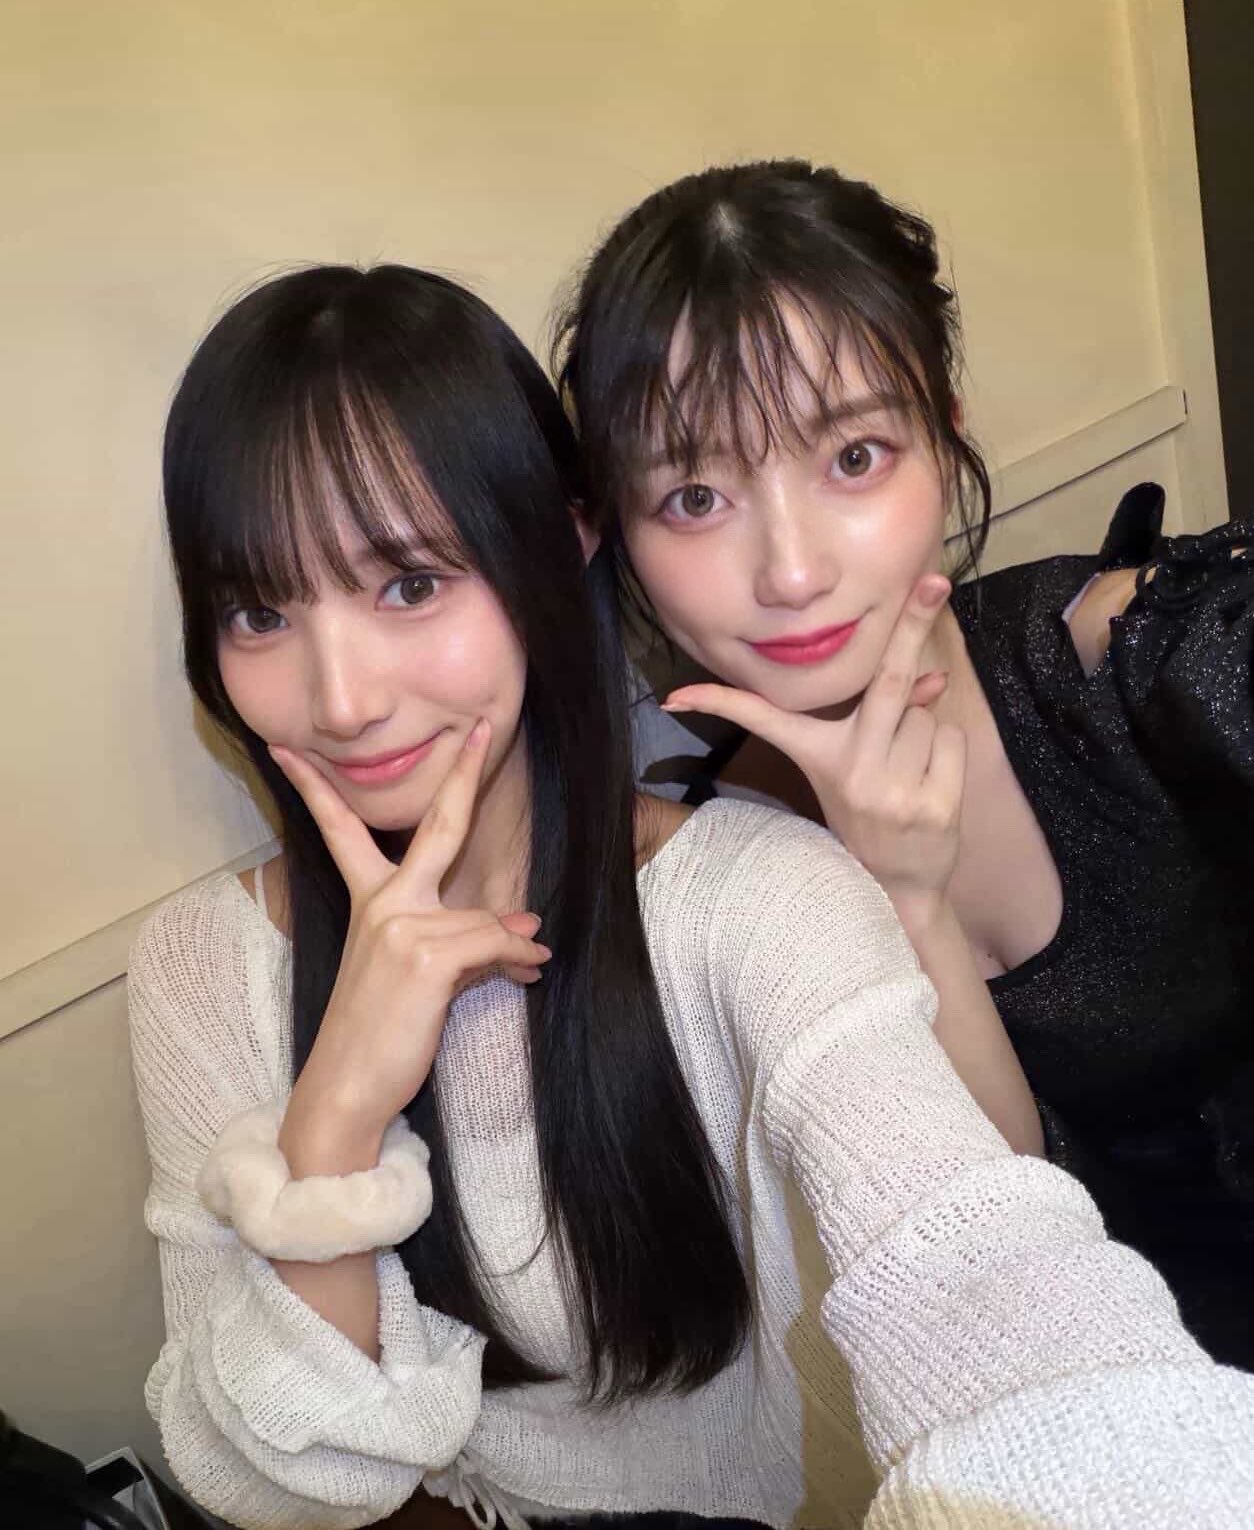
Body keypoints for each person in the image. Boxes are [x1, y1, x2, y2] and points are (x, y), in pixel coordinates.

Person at [131, 263, 1254, 1530]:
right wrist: (336, 1114)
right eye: (259, 611)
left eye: (410, 584)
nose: (341, 700)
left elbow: (978, 1264)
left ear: (561, 541)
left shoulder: (753, 899)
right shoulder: (201, 965)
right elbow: (274, 1489)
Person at [552, 157, 1254, 1369]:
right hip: (1110, 1387)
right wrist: (910, 896)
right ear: (617, 530)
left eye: (854, 457)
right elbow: (1000, 1227)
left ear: (945, 435)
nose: (792, 570)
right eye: (696, 495)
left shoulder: (1134, 657)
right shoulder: (721, 869)